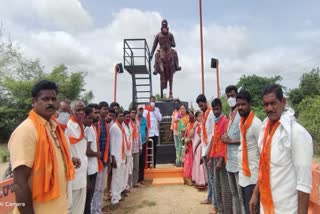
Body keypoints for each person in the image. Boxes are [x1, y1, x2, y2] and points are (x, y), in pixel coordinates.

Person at [8, 80, 74, 214]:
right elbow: (19, 183)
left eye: (53, 99)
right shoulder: (26, 131)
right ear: (33, 101)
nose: (50, 102)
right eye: (45, 99)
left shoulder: (53, 128)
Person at [250, 84, 313, 214]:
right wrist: (256, 194)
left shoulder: (296, 133)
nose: (269, 108)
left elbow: (304, 184)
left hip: (287, 209)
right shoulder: (265, 129)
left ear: (283, 102)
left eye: (273, 103)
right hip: (266, 207)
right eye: (266, 104)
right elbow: (264, 167)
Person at [236, 90, 262, 214]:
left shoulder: (256, 124)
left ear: (250, 104)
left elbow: (263, 153)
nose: (240, 107)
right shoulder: (242, 123)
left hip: (253, 177)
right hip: (243, 176)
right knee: (247, 209)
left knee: (253, 210)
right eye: (238, 105)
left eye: (243, 104)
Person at [221, 85, 245, 214]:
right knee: (234, 193)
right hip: (229, 158)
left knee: (241, 195)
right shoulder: (231, 114)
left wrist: (230, 141)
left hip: (238, 159)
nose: (230, 98)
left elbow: (245, 138)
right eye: (228, 96)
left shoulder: (241, 113)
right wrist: (225, 137)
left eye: (232, 95)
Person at [208, 98, 232, 214]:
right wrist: (211, 158)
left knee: (225, 188)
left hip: (222, 160)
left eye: (217, 109)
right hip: (215, 158)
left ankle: (226, 211)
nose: (215, 111)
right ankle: (221, 210)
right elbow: (215, 141)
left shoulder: (224, 121)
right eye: (213, 109)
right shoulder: (217, 121)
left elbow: (224, 143)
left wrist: (221, 159)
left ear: (221, 108)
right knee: (217, 187)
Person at [67, 100, 88, 214]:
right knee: (72, 208)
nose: (81, 112)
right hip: (73, 175)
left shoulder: (82, 126)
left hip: (82, 173)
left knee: (80, 208)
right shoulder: (68, 127)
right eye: (78, 110)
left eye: (83, 110)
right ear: (72, 111)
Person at [196, 94, 216, 207]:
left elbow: (214, 133)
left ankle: (214, 202)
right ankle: (209, 197)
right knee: (209, 177)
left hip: (210, 150)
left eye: (202, 105)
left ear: (206, 102)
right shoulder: (204, 115)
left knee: (212, 178)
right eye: (199, 106)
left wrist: (210, 151)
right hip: (205, 149)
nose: (201, 107)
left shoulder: (211, 113)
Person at [91, 101, 110, 214]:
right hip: (96, 160)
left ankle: (98, 209)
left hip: (104, 159)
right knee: (96, 188)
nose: (106, 111)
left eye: (107, 109)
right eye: (104, 109)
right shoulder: (94, 125)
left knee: (101, 188)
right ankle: (94, 211)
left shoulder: (105, 125)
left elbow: (108, 143)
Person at [83, 106, 100, 214]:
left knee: (90, 196)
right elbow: (87, 151)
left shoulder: (91, 127)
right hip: (89, 168)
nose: (93, 118)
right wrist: (97, 153)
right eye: (89, 117)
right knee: (88, 197)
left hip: (93, 167)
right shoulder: (88, 129)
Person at [110, 111, 126, 206]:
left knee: (120, 176)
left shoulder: (121, 127)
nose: (121, 118)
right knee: (116, 177)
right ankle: (114, 198)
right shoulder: (114, 128)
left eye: (122, 116)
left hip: (122, 155)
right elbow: (111, 143)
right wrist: (113, 158)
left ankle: (118, 195)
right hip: (116, 156)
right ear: (116, 117)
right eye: (120, 116)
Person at [144, 96, 162, 168]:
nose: (153, 102)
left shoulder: (157, 109)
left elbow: (160, 118)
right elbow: (144, 120)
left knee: (154, 149)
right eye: (152, 101)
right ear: (149, 101)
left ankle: (154, 164)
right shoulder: (146, 110)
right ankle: (148, 164)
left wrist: (154, 111)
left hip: (155, 132)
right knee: (148, 149)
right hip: (148, 132)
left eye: (154, 101)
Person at [190, 111, 207, 189]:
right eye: (199, 116)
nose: (201, 117)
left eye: (202, 116)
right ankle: (197, 181)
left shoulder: (204, 124)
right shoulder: (195, 125)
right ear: (196, 117)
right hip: (196, 148)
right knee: (197, 163)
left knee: (201, 163)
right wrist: (194, 127)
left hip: (201, 147)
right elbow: (190, 135)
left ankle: (202, 182)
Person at [129, 108, 142, 187]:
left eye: (134, 113)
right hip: (129, 148)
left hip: (136, 147)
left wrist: (140, 146)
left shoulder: (137, 122)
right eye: (132, 113)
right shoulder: (127, 123)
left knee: (136, 167)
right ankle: (128, 184)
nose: (133, 114)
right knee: (129, 167)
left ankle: (134, 183)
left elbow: (139, 134)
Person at [183, 111, 195, 185]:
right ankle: (188, 179)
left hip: (195, 146)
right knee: (188, 163)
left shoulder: (196, 124)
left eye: (192, 114)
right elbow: (185, 136)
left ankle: (194, 178)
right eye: (189, 115)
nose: (190, 116)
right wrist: (186, 145)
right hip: (189, 146)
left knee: (194, 163)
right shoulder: (188, 124)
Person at [137, 104, 148, 184]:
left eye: (142, 109)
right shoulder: (134, 119)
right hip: (136, 143)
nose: (141, 110)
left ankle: (141, 178)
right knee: (136, 160)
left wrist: (147, 136)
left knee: (142, 160)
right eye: (140, 109)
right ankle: (136, 178)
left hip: (143, 142)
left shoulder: (144, 119)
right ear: (137, 110)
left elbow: (146, 129)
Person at [123, 110, 133, 191]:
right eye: (126, 117)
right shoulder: (122, 127)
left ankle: (126, 187)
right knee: (123, 172)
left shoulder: (129, 126)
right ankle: (123, 189)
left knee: (128, 171)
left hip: (130, 152)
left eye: (129, 117)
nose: (128, 118)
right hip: (124, 153)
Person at [171, 98, 181, 166]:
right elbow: (172, 121)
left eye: (177, 103)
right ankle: (177, 161)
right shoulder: (174, 112)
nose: (176, 104)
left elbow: (179, 119)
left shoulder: (181, 111)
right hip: (175, 131)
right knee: (176, 147)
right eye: (175, 103)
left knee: (180, 147)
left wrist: (176, 119)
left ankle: (180, 161)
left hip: (180, 131)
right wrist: (171, 130)